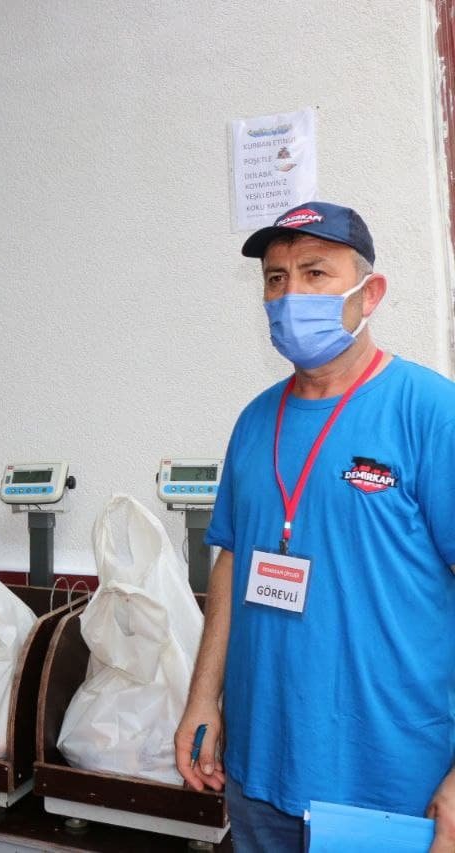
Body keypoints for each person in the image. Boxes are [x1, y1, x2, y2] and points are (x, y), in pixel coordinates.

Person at [174, 202, 455, 852]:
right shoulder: (254, 421)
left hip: (392, 788)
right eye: (276, 279)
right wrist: (203, 698)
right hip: (260, 773)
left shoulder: (430, 413)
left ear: (370, 293)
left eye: (315, 272)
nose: (290, 295)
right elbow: (232, 559)